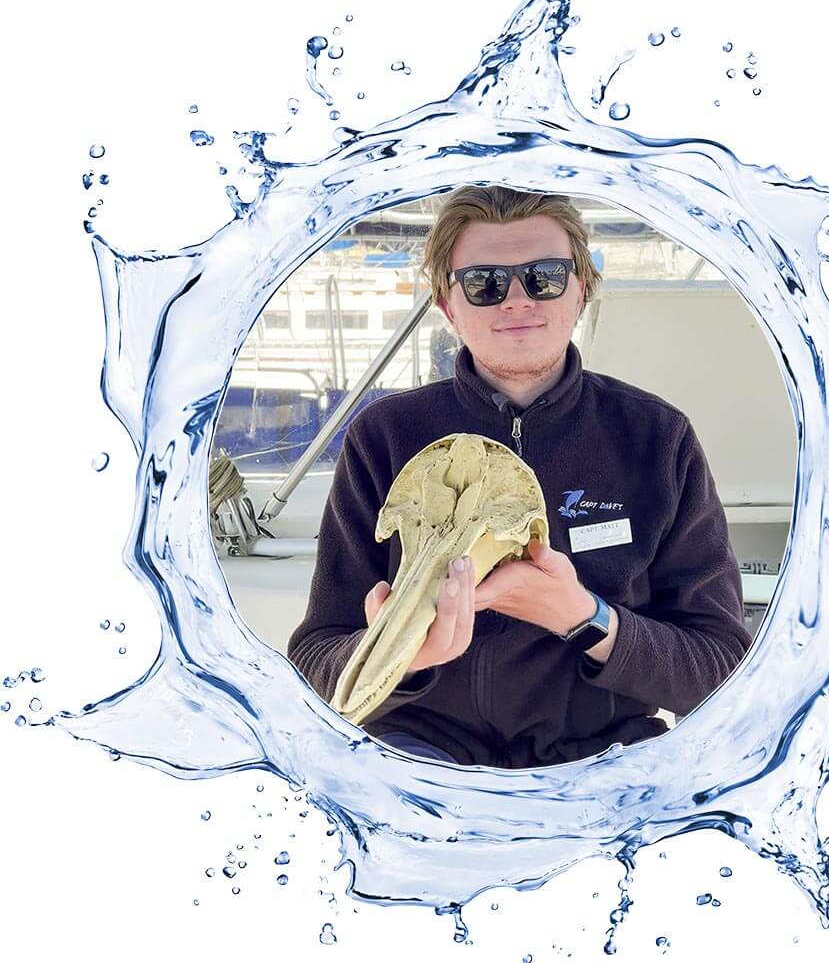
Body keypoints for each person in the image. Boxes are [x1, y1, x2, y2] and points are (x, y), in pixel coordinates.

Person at [287, 186, 752, 768]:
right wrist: (398, 657)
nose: (515, 300)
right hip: (421, 755)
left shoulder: (657, 438)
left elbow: (722, 669)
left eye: (544, 278)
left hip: (602, 759)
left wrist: (583, 617)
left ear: (581, 290)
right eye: (484, 283)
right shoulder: (383, 437)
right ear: (448, 306)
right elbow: (314, 659)